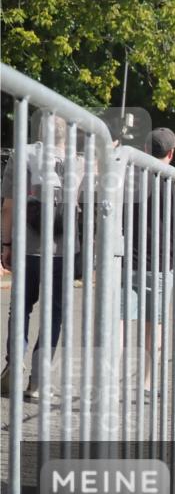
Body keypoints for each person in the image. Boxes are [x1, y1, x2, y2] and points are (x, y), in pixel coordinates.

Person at [1, 116, 84, 399]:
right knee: (54, 312)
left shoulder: (21, 155)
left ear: (38, 132)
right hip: (63, 250)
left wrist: (6, 244)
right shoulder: (78, 162)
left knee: (20, 307)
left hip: (27, 246)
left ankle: (14, 365)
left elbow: (8, 207)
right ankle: (37, 380)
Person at [120, 127, 175, 397]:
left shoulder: (128, 177)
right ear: (170, 154)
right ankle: (145, 384)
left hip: (127, 261)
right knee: (153, 326)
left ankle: (111, 381)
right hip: (160, 263)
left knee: (120, 322)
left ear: (146, 150)